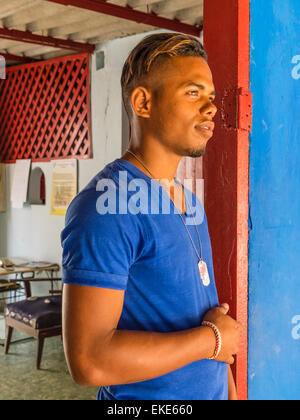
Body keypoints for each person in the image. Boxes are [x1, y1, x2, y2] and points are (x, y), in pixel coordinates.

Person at [61, 33, 242, 401]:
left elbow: (212, 328)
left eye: (210, 97)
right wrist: (213, 339)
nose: (210, 108)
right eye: (193, 93)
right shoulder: (104, 207)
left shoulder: (190, 203)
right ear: (143, 102)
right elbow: (89, 361)